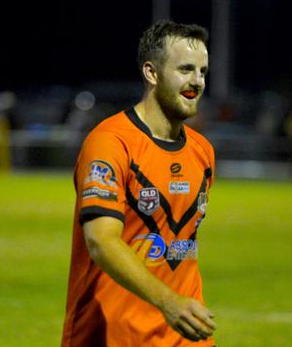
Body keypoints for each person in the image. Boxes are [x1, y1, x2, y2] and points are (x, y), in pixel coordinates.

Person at [61, 21, 217, 346]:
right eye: (186, 69)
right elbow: (101, 241)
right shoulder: (109, 143)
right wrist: (169, 302)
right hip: (112, 335)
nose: (197, 81)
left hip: (184, 336)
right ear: (152, 73)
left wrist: (179, 307)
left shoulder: (202, 151)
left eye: (202, 71)